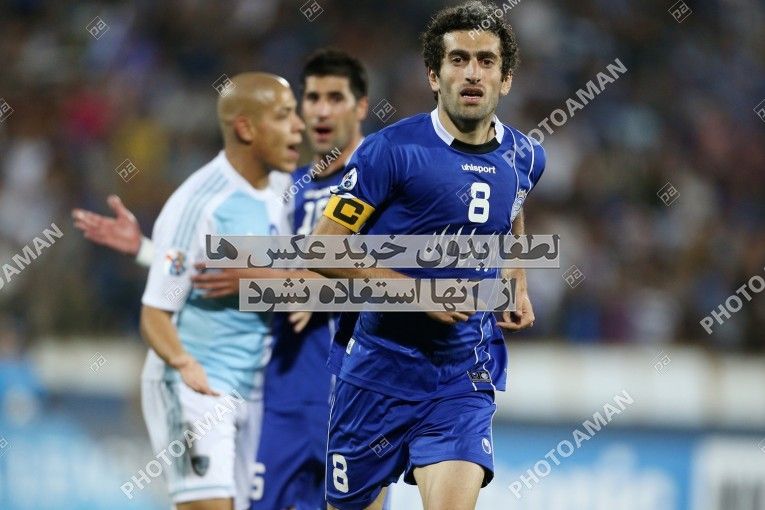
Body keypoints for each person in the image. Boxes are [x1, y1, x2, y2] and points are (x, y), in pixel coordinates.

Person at [311, 2, 545, 508]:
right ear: (434, 76)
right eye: (458, 59)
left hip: (461, 375)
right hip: (377, 371)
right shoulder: (389, 151)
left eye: (486, 61)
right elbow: (321, 246)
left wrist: (516, 273)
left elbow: (514, 206)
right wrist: (417, 293)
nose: (472, 73)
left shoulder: (526, 155)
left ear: (505, 79)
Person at [138, 72, 302, 510]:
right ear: (245, 128)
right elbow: (155, 312)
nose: (299, 127)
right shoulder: (198, 203)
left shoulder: (284, 193)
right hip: (199, 384)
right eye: (284, 116)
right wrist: (182, 362)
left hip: (255, 387)